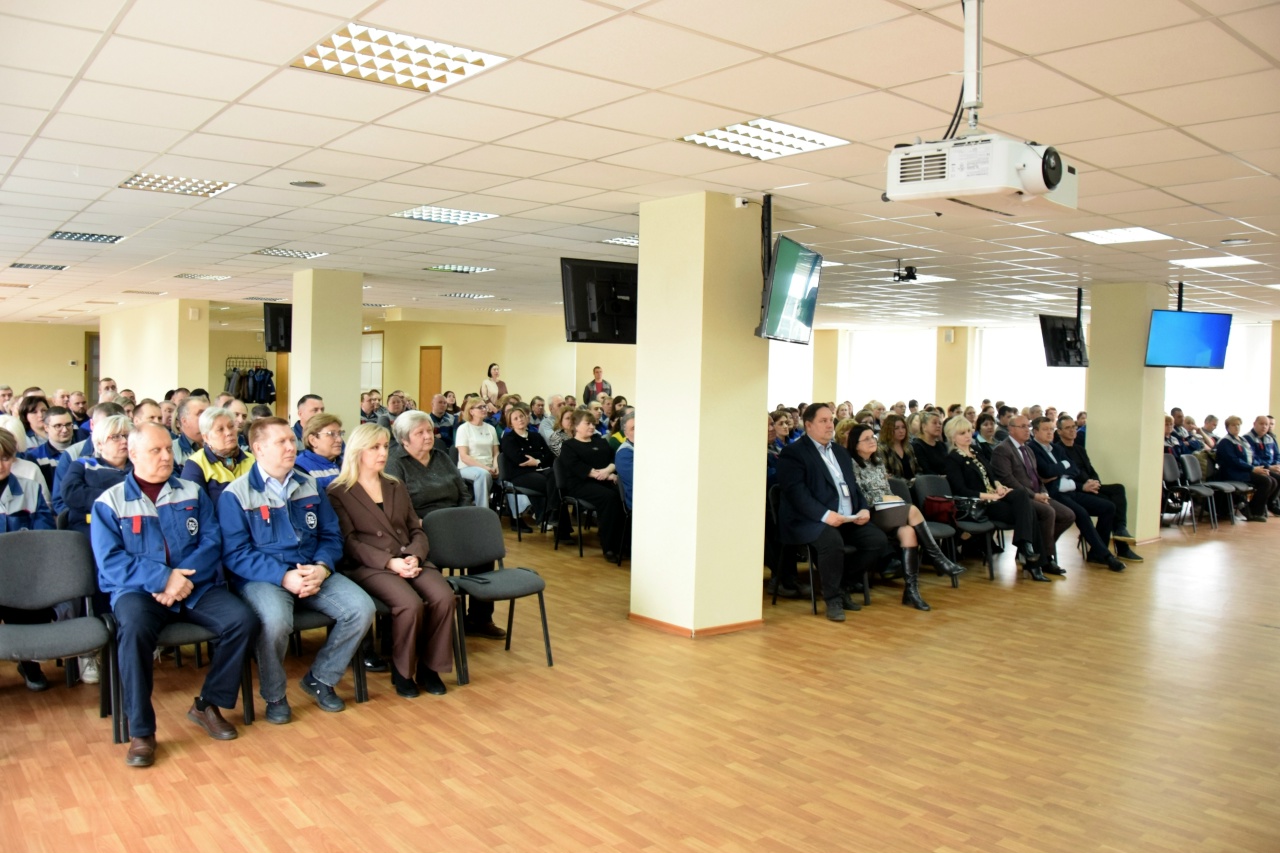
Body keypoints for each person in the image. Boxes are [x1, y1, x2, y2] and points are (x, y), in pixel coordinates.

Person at [91, 422, 257, 767]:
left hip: (193, 585)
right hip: (138, 591)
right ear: (133, 454)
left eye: (169, 449)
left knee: (242, 620)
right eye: (156, 450)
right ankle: (141, 731)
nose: (166, 456)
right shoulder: (110, 503)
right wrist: (163, 579)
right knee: (134, 632)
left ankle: (207, 704)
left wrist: (181, 582)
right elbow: (111, 563)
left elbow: (212, 542)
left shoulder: (191, 492)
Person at [218, 418, 375, 722]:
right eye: (282, 442)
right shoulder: (236, 494)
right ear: (258, 449)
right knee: (275, 622)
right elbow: (235, 554)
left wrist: (322, 567)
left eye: (293, 440)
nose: (292, 447)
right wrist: (283, 576)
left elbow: (331, 535)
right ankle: (275, 696)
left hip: (312, 568)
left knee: (361, 609)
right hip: (264, 578)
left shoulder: (309, 485)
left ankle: (321, 678)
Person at [326, 424, 454, 698]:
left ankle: (430, 668)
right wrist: (389, 563)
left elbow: (416, 529)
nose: (383, 452)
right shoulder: (338, 491)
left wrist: (414, 555)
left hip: (408, 556)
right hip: (370, 565)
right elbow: (349, 542)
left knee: (444, 596)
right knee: (410, 604)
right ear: (358, 451)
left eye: (385, 446)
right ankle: (403, 670)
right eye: (375, 447)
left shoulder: (395, 484)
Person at [776, 404, 888, 622]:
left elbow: (853, 487)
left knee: (877, 540)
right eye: (823, 421)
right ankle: (833, 598)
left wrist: (863, 507)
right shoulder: (794, 453)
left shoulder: (839, 451)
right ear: (808, 425)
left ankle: (842, 583)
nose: (830, 425)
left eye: (831, 420)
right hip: (809, 520)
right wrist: (825, 515)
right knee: (831, 542)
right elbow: (796, 494)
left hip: (846, 517)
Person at [847, 424, 962, 610]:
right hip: (869, 514)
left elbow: (885, 490)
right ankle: (938, 559)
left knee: (909, 533)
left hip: (886, 510)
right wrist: (886, 498)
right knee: (913, 510)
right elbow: (860, 497)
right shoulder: (851, 465)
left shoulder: (877, 463)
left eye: (872, 437)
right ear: (855, 444)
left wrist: (891, 498)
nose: (872, 441)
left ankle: (911, 591)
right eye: (866, 438)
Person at [943, 418, 1047, 581]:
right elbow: (961, 490)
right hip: (980, 504)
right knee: (1030, 512)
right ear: (952, 436)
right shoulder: (952, 459)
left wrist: (999, 486)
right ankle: (1032, 560)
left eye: (969, 431)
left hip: (996, 496)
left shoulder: (976, 450)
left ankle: (1026, 549)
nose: (968, 436)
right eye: (962, 433)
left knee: (1021, 495)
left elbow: (992, 475)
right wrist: (991, 495)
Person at [1028, 417, 1126, 572]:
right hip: (1054, 494)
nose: (1049, 432)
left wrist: (1059, 470)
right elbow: (1046, 472)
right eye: (1045, 429)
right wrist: (1062, 468)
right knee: (1082, 514)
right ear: (1035, 432)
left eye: (1050, 429)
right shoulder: (1032, 448)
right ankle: (1106, 556)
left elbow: (1073, 469)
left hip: (1072, 490)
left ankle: (1096, 552)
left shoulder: (1055, 448)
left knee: (1108, 507)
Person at [0, 427, 56, 691]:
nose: (0, 465)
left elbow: (44, 537)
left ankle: (28, 663)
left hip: (23, 574)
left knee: (29, 604)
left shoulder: (31, 490)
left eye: (5, 458)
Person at [989, 415, 1076, 575]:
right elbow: (1008, 480)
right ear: (1011, 429)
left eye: (1027, 426)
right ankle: (1047, 559)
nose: (1026, 430)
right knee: (1048, 512)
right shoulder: (1002, 450)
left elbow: (1036, 477)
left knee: (1068, 515)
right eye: (1022, 426)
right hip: (1018, 498)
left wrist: (1043, 492)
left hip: (1037, 494)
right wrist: (1033, 496)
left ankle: (1037, 550)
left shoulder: (1028, 449)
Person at [1054, 415, 1142, 561]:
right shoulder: (1058, 450)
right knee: (1110, 505)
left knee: (1118, 489)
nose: (1072, 430)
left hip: (1090, 485)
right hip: (1076, 490)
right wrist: (1087, 484)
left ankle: (1120, 530)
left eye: (1074, 427)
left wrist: (1095, 481)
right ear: (1060, 431)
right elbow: (1071, 473)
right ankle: (1114, 549)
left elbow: (1091, 469)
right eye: (1067, 428)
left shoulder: (1080, 449)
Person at [558, 410, 625, 561]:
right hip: (580, 484)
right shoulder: (569, 446)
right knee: (609, 498)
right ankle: (609, 547)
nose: (591, 426)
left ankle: (624, 544)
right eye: (587, 423)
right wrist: (599, 474)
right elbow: (576, 467)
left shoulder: (600, 441)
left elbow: (613, 459)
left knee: (622, 495)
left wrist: (608, 471)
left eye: (592, 423)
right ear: (575, 426)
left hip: (604, 479)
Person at [499, 403, 556, 532]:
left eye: (522, 416)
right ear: (510, 423)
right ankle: (547, 516)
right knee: (548, 483)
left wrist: (536, 461)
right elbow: (518, 459)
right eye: (515, 418)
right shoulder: (509, 439)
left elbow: (549, 456)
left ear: (527, 418)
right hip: (519, 475)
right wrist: (538, 456)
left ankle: (550, 515)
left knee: (555, 476)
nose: (520, 420)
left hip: (539, 469)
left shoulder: (535, 436)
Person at [179, 407, 255, 503]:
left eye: (231, 426)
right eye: (220, 429)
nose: (228, 433)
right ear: (206, 437)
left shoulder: (252, 459)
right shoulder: (196, 464)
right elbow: (195, 507)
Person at [1216, 416, 1276, 522]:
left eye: (1238, 425)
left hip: (1244, 470)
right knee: (1266, 481)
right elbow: (1234, 461)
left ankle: (1250, 508)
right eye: (1233, 425)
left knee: (1273, 481)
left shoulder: (1241, 440)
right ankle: (1255, 512)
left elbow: (1252, 456)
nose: (1236, 427)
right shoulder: (1225, 442)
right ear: (1227, 427)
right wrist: (1252, 469)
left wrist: (1259, 467)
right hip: (1233, 472)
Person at [455, 398, 500, 509]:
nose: (484, 409)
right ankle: (482, 509)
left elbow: (496, 452)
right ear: (471, 411)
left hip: (489, 466)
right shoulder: (463, 429)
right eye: (480, 407)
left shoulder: (491, 428)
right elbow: (464, 457)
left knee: (508, 475)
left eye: (485, 406)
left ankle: (517, 513)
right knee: (483, 474)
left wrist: (496, 466)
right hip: (467, 467)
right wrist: (485, 468)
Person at [23, 405, 78, 491]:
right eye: (58, 426)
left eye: (68, 424)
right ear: (46, 427)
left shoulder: (84, 451)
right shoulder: (34, 457)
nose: (64, 430)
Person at [1242, 415, 1280, 515]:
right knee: (1272, 480)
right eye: (1261, 424)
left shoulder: (1270, 438)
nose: (1264, 426)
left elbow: (1277, 454)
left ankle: (1270, 504)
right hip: (1258, 468)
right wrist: (1269, 467)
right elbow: (1253, 457)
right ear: (1254, 424)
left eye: (1266, 424)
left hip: (1271, 467)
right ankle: (1257, 508)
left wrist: (1277, 465)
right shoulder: (1248, 438)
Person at [295, 414, 344, 491]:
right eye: (331, 434)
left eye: (340, 434)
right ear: (313, 440)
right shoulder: (301, 467)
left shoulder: (345, 463)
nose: (339, 440)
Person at [171, 396, 208, 468]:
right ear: (184, 421)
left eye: (208, 413)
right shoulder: (172, 451)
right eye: (200, 414)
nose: (207, 417)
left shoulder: (220, 445)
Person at [878, 413, 917, 481]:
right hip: (897, 487)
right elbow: (886, 474)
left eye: (903, 427)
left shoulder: (908, 446)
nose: (901, 431)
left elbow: (917, 468)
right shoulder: (881, 449)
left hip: (914, 484)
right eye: (896, 428)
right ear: (888, 430)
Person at [911, 411, 949, 476]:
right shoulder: (917, 445)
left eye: (940, 423)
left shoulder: (942, 445)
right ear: (924, 426)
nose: (938, 426)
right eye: (934, 423)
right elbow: (925, 469)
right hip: (930, 481)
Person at [614, 411, 635, 511]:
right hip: (637, 499)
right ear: (626, 434)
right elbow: (637, 481)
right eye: (633, 428)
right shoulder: (624, 453)